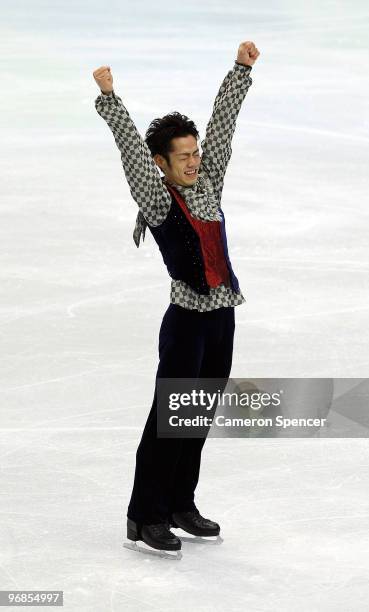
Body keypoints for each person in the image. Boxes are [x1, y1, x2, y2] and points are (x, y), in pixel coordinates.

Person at [93, 41, 260, 558]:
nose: (193, 161)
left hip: (222, 318)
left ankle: (181, 504)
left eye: (195, 153)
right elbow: (129, 149)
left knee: (199, 415)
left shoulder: (208, 184)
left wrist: (241, 71)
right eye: (183, 156)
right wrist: (110, 98)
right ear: (161, 164)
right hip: (186, 322)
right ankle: (145, 516)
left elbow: (224, 126)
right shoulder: (157, 197)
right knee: (171, 418)